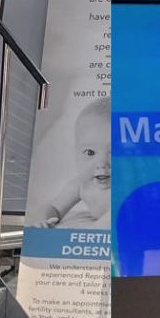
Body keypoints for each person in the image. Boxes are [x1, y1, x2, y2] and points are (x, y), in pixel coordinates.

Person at [38, 97, 111, 230]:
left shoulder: (126, 188)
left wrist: (94, 229)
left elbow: (117, 216)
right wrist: (44, 219)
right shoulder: (80, 185)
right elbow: (55, 206)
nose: (101, 163)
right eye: (90, 152)